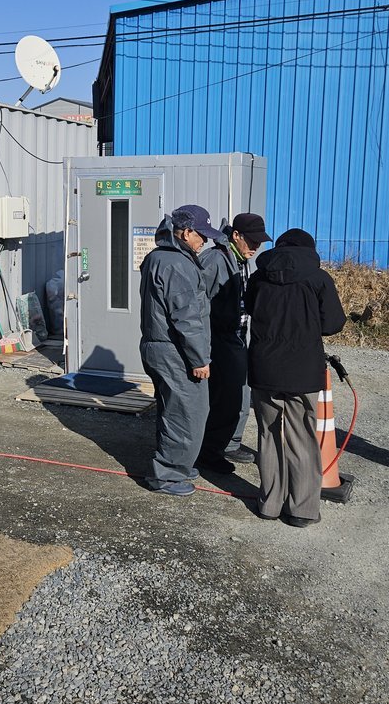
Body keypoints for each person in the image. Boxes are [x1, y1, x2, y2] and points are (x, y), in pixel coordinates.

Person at [246, 229, 345, 526]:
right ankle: (301, 509)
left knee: (268, 434)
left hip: (264, 367)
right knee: (302, 436)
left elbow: (249, 309)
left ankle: (270, 504)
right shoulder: (318, 278)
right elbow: (332, 324)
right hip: (303, 369)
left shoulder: (258, 277)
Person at [139, 204, 225, 497]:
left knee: (172, 409)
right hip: (175, 351)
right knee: (187, 413)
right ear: (186, 233)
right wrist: (199, 359)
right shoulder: (178, 264)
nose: (205, 241)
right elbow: (186, 317)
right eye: (202, 235)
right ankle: (168, 474)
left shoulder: (157, 257)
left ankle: (178, 464)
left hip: (158, 345)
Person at [198, 213, 272, 473]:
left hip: (237, 335)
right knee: (226, 398)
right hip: (219, 337)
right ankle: (209, 452)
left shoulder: (240, 259)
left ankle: (225, 444)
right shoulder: (216, 259)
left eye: (260, 242)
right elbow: (198, 301)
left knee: (238, 395)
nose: (256, 247)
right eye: (251, 241)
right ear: (236, 235)